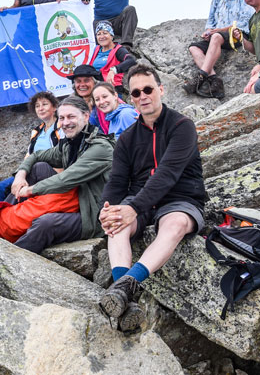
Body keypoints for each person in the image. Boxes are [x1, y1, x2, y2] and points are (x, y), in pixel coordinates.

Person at [98, 63, 206, 333]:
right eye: (136, 93)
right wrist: (107, 210)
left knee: (176, 225)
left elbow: (168, 173)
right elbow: (117, 181)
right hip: (143, 200)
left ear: (161, 89)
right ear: (131, 98)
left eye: (148, 89)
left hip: (181, 197)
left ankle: (124, 285)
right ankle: (127, 300)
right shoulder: (127, 139)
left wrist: (133, 207)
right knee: (115, 224)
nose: (143, 96)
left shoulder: (182, 126)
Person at [0, 95, 114, 286]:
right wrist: (20, 175)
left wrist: (31, 189)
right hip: (73, 199)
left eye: (71, 117)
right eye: (62, 118)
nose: (66, 123)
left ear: (86, 115)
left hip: (92, 213)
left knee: (44, 223)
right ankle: (0, 226)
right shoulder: (69, 143)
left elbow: (67, 179)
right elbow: (37, 156)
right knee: (38, 167)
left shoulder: (99, 147)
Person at [184, 0, 255, 99]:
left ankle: (200, 77)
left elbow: (242, 22)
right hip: (219, 36)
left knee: (216, 37)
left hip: (238, 34)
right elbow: (210, 20)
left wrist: (216, 31)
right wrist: (208, 31)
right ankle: (215, 80)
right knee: (194, 48)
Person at [0, 91, 63, 201]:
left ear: (54, 107)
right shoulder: (36, 131)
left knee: (18, 191)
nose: (41, 108)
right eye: (37, 106)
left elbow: (63, 154)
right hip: (30, 170)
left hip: (49, 172)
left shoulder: (62, 127)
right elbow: (29, 155)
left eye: (45, 104)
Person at [90, 21, 137, 96]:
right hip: (95, 90)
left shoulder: (118, 50)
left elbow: (131, 60)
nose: (102, 36)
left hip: (112, 90)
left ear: (111, 35)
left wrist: (114, 70)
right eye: (99, 34)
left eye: (105, 33)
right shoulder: (96, 49)